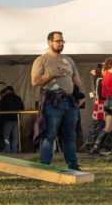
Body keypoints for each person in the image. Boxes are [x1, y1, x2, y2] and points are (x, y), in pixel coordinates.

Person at [30, 31, 83, 170]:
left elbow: (76, 78)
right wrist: (53, 73)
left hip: (70, 102)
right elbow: (35, 81)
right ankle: (45, 166)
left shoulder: (69, 60)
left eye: (62, 41)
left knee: (70, 136)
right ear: (49, 42)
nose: (61, 43)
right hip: (52, 101)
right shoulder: (42, 60)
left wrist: (82, 94)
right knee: (49, 134)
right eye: (58, 41)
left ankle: (73, 165)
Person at [87, 58, 112, 155]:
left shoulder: (104, 78)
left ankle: (95, 149)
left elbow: (104, 94)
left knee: (108, 127)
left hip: (107, 104)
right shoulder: (111, 77)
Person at [0, 85, 23, 153]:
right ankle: (14, 150)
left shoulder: (5, 98)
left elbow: (2, 108)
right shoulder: (18, 98)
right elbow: (22, 107)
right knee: (15, 136)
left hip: (7, 119)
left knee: (6, 136)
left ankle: (8, 149)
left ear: (8, 90)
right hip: (16, 119)